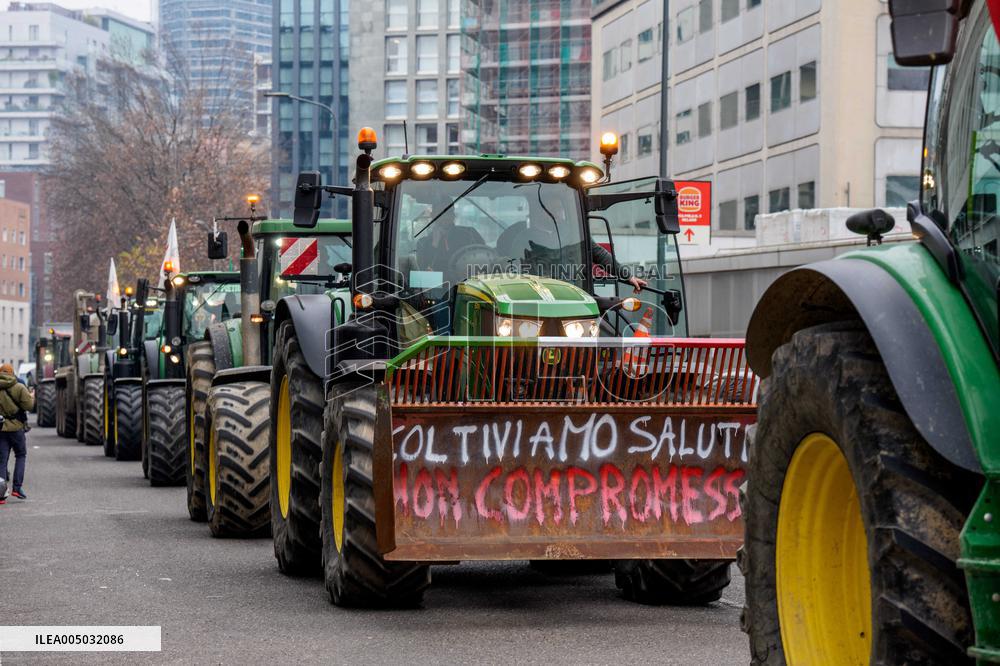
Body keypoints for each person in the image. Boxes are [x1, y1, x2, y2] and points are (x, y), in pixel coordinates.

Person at [0, 362, 34, 503]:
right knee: (20, 456)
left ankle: (0, 494)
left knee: (2, 460)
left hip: (1, 429)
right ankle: (16, 488)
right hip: (17, 429)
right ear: (12, 373)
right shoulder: (19, 387)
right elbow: (29, 406)